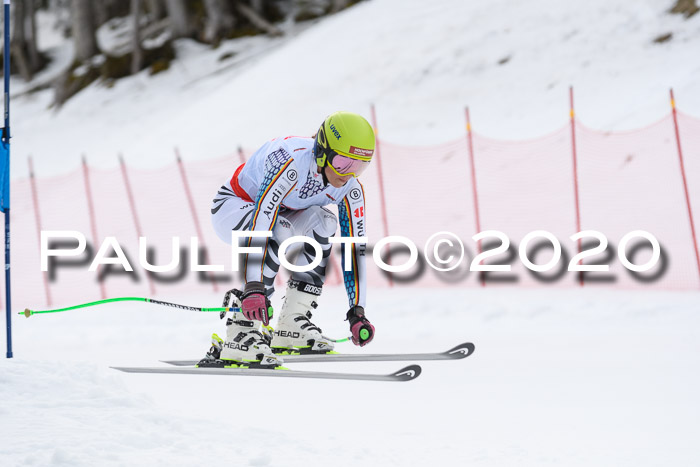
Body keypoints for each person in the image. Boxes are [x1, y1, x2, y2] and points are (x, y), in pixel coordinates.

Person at [199, 111, 376, 368]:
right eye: (341, 163)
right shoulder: (290, 162)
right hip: (234, 206)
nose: (347, 175)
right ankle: (241, 330)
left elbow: (355, 249)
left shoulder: (350, 188)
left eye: (358, 167)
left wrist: (356, 311)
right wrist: (254, 287)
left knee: (325, 222)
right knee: (279, 227)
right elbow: (263, 219)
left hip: (279, 215)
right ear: (323, 151)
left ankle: (292, 322)